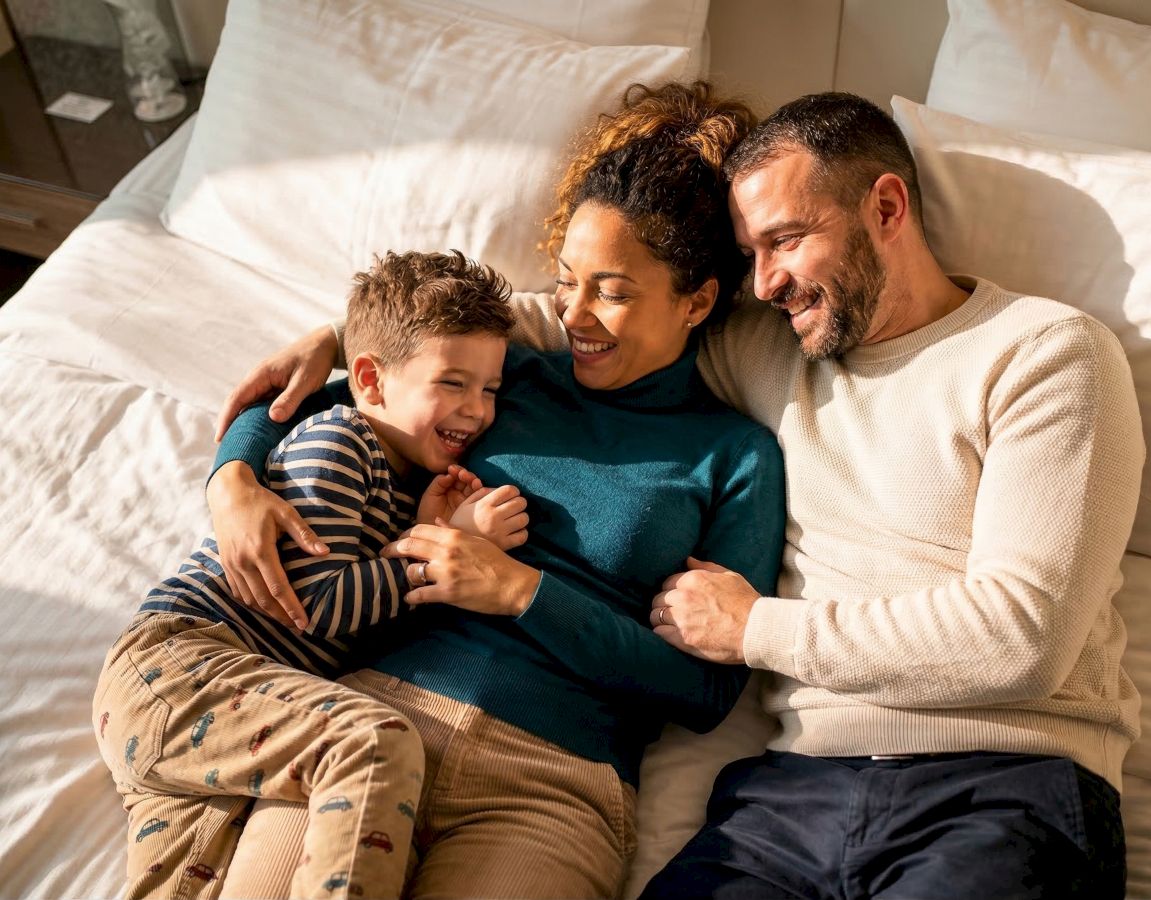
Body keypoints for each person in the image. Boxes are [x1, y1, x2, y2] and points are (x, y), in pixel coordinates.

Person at [206, 82, 786, 898]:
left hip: (550, 786)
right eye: (566, 279)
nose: (573, 314)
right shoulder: (502, 377)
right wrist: (231, 476)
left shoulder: (735, 457)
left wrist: (519, 590)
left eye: (612, 292)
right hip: (364, 726)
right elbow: (319, 400)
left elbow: (706, 690)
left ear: (696, 301)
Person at [635, 93, 1144, 897]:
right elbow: (602, 328)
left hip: (1003, 791)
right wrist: (380, 346)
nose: (765, 283)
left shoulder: (1044, 353)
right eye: (749, 253)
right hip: (787, 800)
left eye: (787, 240)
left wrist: (756, 628)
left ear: (885, 206)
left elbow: (1023, 636)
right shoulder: (767, 349)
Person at [92, 249, 526, 900]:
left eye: (489, 389)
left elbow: (355, 598)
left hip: (214, 704)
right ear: (372, 381)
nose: (477, 410)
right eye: (453, 382)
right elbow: (318, 605)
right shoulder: (341, 438)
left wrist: (419, 529)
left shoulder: (397, 476)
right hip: (183, 665)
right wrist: (448, 545)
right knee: (375, 742)